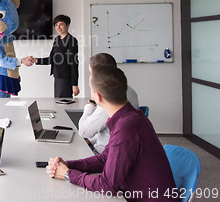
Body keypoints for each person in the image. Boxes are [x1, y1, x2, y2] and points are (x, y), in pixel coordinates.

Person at [46, 64, 177, 201]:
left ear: (97, 97)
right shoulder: (130, 117)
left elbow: (108, 185)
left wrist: (68, 174)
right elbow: (105, 158)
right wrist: (69, 165)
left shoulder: (126, 127)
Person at [78, 53, 139, 153]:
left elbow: (84, 131)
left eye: (91, 73)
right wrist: (91, 140)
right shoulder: (131, 91)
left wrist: (92, 103)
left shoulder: (110, 100)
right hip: (121, 148)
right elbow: (105, 130)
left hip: (104, 153)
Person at [33, 14, 79, 98]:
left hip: (66, 78)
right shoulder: (57, 39)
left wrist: (74, 84)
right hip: (57, 76)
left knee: (63, 103)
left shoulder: (71, 40)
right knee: (58, 102)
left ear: (67, 25)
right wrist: (36, 60)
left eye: (61, 24)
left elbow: (74, 63)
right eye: (56, 25)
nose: (58, 27)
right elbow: (51, 59)